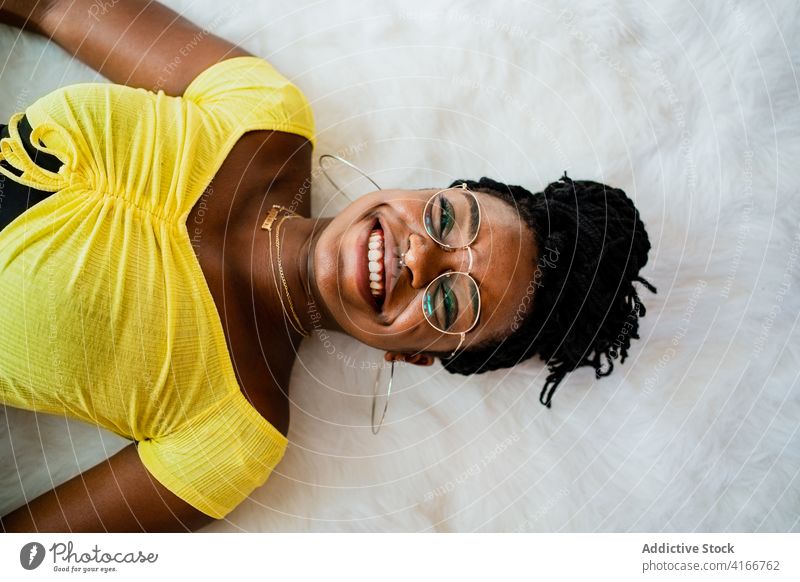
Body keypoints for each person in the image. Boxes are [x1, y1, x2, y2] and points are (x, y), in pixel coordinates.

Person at [0, 0, 656, 532]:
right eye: (448, 219)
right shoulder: (263, 112)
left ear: (419, 355)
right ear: (429, 188)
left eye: (450, 301)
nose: (420, 255)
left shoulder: (234, 436)